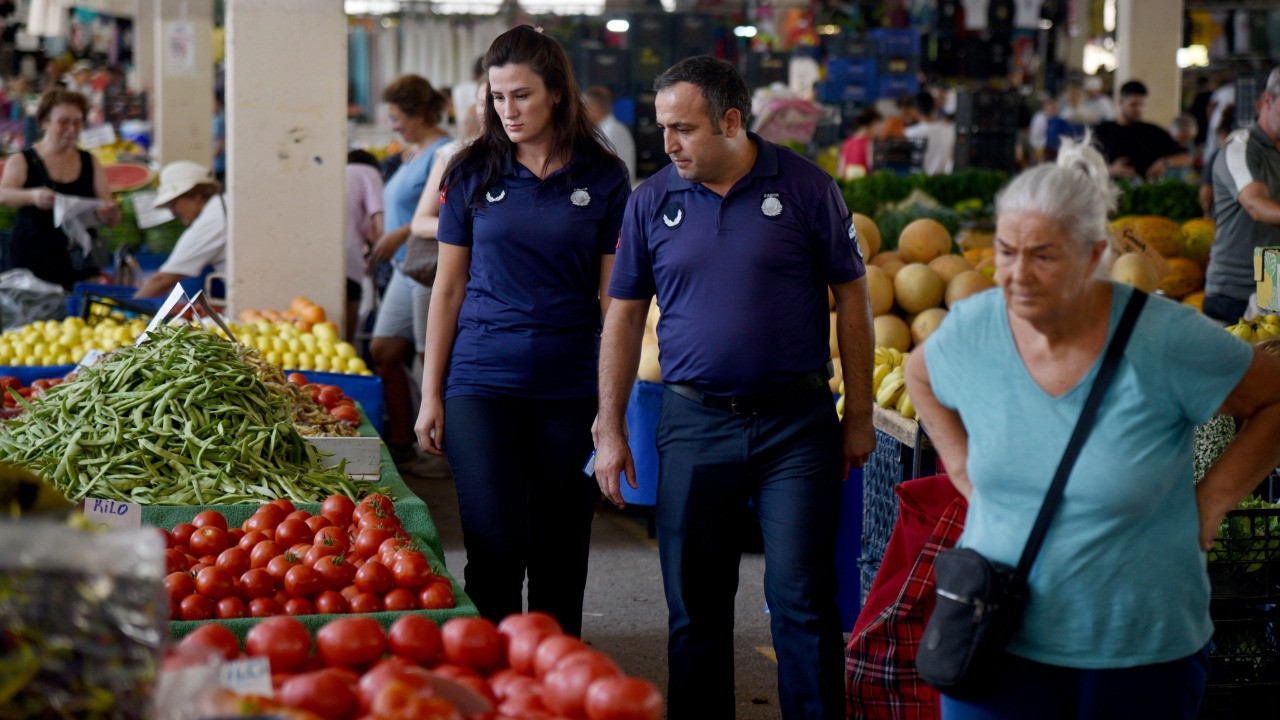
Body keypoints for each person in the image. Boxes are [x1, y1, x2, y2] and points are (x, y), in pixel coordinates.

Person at [903, 137, 1280, 719]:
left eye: (1043, 256)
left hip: (1137, 652)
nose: (1018, 275)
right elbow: (918, 374)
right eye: (1006, 251)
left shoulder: (1164, 339)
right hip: (993, 639)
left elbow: (1273, 397)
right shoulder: (974, 328)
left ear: (1093, 255)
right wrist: (961, 466)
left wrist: (1210, 505)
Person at [595, 55, 875, 719]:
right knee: (695, 608)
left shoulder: (807, 188)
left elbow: (853, 299)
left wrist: (859, 413)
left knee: (804, 602)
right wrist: (609, 425)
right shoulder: (651, 199)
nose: (668, 144)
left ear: (730, 121)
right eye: (663, 127)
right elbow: (624, 317)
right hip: (693, 424)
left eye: (684, 129)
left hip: (796, 426)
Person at [415, 25, 630, 636]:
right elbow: (448, 290)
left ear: (557, 93)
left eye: (522, 95)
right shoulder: (471, 171)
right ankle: (493, 674)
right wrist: (431, 394)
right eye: (497, 97)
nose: (507, 110)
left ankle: (554, 671)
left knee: (561, 549)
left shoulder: (604, 177)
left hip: (570, 387)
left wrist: (612, 410)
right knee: (493, 545)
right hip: (481, 384)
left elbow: (614, 302)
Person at [366, 74, 452, 470]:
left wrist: (400, 233)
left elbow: (443, 211)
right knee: (383, 350)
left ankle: (437, 450)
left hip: (425, 267)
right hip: (402, 268)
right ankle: (401, 439)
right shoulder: (412, 153)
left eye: (397, 117)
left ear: (418, 114)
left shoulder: (443, 152)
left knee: (427, 358)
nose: (392, 125)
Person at [0, 89, 120, 290]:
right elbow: (3, 195)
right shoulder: (22, 160)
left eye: (78, 122)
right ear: (44, 122)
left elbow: (110, 213)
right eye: (63, 122)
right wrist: (33, 196)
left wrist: (110, 213)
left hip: (81, 262)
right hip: (33, 263)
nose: (72, 129)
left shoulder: (90, 162)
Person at [1204, 68, 1280, 324]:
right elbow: (1256, 206)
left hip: (1272, 282)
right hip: (1233, 292)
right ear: (1267, 101)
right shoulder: (1240, 147)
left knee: (1271, 347)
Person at [134, 161, 225, 299]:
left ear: (196, 196)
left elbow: (161, 281)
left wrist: (127, 307)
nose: (173, 212)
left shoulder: (210, 220)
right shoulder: (219, 206)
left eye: (172, 204)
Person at [1094, 80, 1192, 181]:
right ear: (1121, 102)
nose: (1139, 109)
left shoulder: (1152, 132)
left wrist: (1165, 162)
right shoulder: (1102, 131)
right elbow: (1086, 164)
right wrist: (1110, 170)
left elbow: (1186, 158)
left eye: (1142, 105)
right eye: (1133, 104)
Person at [344, 150, 384, 341]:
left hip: (325, 252)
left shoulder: (340, 171)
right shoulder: (370, 173)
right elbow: (379, 220)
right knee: (350, 303)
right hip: (349, 255)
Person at [584, 85, 636, 185]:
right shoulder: (602, 130)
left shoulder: (612, 131)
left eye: (583, 107)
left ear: (595, 108)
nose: (580, 112)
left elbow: (614, 172)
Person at [904, 89, 955, 176]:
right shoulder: (950, 129)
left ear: (915, 111)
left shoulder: (909, 133)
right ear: (934, 107)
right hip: (945, 180)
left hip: (919, 180)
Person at [1199, 104, 1234, 219]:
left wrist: (1206, 214)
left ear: (1224, 133)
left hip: (1222, 218)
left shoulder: (1218, 155)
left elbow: (1206, 191)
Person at [838, 107, 881, 180]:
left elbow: (840, 171)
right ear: (872, 124)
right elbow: (873, 168)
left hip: (848, 184)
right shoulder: (870, 143)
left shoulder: (847, 143)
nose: (878, 130)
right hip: (865, 183)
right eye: (877, 125)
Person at [212, 91, 226, 184]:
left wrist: (211, 157)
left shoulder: (217, 121)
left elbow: (220, 142)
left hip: (217, 164)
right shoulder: (212, 119)